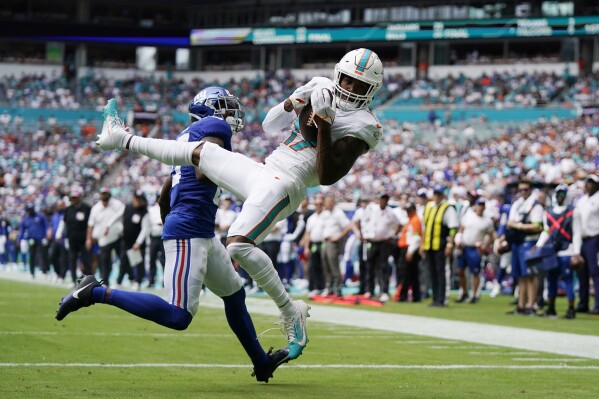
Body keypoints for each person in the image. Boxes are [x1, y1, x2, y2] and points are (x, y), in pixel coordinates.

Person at [96, 48, 384, 358]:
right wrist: (293, 101)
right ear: (338, 74)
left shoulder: (365, 126)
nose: (350, 89)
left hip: (288, 183)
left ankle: (290, 310)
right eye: (348, 80)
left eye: (360, 85)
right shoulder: (320, 85)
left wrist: (325, 123)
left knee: (237, 244)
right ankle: (121, 138)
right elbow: (269, 125)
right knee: (202, 154)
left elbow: (327, 175)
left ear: (372, 91)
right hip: (264, 171)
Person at [57, 86, 289, 382]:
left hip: (199, 231)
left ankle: (261, 362)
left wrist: (174, 225)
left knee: (234, 294)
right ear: (210, 108)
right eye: (226, 107)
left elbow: (165, 194)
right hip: (190, 230)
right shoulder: (213, 127)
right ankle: (94, 292)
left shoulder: (187, 137)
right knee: (178, 316)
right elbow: (205, 171)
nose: (231, 114)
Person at [534, 184, 576, 318]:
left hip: (567, 250)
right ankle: (551, 307)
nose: (560, 198)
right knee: (551, 279)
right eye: (558, 195)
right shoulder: (549, 212)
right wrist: (539, 246)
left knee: (568, 279)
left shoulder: (572, 212)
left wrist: (576, 251)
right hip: (552, 250)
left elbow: (576, 233)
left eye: (562, 195)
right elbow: (546, 231)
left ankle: (571, 308)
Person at [505, 180, 544, 315]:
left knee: (531, 275)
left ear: (530, 189)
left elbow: (537, 226)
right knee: (521, 276)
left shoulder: (535, 205)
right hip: (517, 242)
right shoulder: (517, 204)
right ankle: (521, 305)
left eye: (525, 189)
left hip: (529, 242)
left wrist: (519, 226)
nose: (522, 192)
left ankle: (532, 305)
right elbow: (510, 222)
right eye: (520, 189)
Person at [420, 185, 459, 307]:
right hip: (429, 245)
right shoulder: (429, 207)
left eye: (439, 194)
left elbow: (453, 228)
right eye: (435, 194)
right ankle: (435, 297)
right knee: (432, 272)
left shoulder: (448, 208)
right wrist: (422, 244)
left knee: (441, 272)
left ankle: (442, 298)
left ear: (443, 195)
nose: (436, 197)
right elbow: (424, 228)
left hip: (441, 244)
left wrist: (450, 244)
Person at [358, 192, 400, 302]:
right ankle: (369, 290)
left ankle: (384, 291)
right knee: (369, 266)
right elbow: (362, 220)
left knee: (383, 267)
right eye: (382, 199)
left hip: (383, 242)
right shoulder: (371, 208)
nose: (383, 201)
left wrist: (392, 235)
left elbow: (397, 224)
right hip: (371, 241)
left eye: (385, 199)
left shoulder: (390, 212)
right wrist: (364, 233)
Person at [455, 198, 495, 304]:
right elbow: (461, 229)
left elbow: (491, 235)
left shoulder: (487, 221)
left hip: (475, 248)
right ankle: (464, 292)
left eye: (482, 205)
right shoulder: (468, 215)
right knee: (460, 270)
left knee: (475, 272)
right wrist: (458, 239)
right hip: (464, 246)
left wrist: (484, 246)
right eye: (479, 205)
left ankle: (474, 294)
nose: (480, 207)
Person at [571, 174, 599, 314]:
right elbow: (576, 223)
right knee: (582, 272)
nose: (588, 185)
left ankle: (598, 304)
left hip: (595, 238)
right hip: (582, 239)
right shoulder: (582, 201)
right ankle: (583, 303)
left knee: (595, 272)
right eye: (587, 182)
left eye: (592, 182)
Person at [86, 187, 125, 286]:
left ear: (109, 194)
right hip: (103, 239)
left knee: (123, 258)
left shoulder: (117, 204)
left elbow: (123, 215)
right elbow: (90, 224)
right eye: (102, 193)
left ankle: (119, 280)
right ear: (100, 195)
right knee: (104, 261)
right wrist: (88, 239)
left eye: (106, 193)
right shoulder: (96, 208)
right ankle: (105, 281)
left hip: (117, 236)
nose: (104, 195)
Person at [116, 190, 149, 290]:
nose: (138, 201)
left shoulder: (144, 211)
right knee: (123, 262)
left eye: (140, 199)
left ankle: (137, 282)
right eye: (136, 199)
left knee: (138, 263)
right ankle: (119, 282)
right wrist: (111, 226)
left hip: (137, 243)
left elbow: (145, 228)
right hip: (126, 241)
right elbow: (117, 217)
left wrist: (138, 242)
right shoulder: (127, 207)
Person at [58, 187, 92, 280]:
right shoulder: (68, 209)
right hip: (72, 239)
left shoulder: (87, 208)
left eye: (75, 198)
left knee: (86, 260)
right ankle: (73, 280)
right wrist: (60, 235)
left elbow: (91, 224)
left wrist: (89, 238)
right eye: (72, 198)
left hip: (83, 239)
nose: (74, 200)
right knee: (72, 259)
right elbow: (64, 222)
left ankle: (87, 280)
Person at [395, 202, 422, 302]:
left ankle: (403, 296)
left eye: (409, 210)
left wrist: (410, 251)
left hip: (409, 250)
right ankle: (416, 296)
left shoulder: (415, 221)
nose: (407, 212)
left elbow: (416, 237)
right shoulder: (411, 220)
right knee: (412, 274)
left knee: (406, 274)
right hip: (408, 249)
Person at [18, 203, 48, 278]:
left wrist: (46, 236)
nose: (30, 211)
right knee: (32, 256)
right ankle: (32, 272)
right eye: (29, 210)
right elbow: (22, 230)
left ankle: (44, 271)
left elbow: (46, 226)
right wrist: (19, 239)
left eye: (31, 209)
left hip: (41, 239)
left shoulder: (40, 216)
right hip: (31, 239)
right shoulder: (26, 219)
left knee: (43, 255)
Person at [146, 194, 165, 288]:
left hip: (163, 237)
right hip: (154, 237)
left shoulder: (167, 208)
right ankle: (151, 280)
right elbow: (149, 222)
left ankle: (165, 281)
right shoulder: (151, 209)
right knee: (152, 260)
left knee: (165, 260)